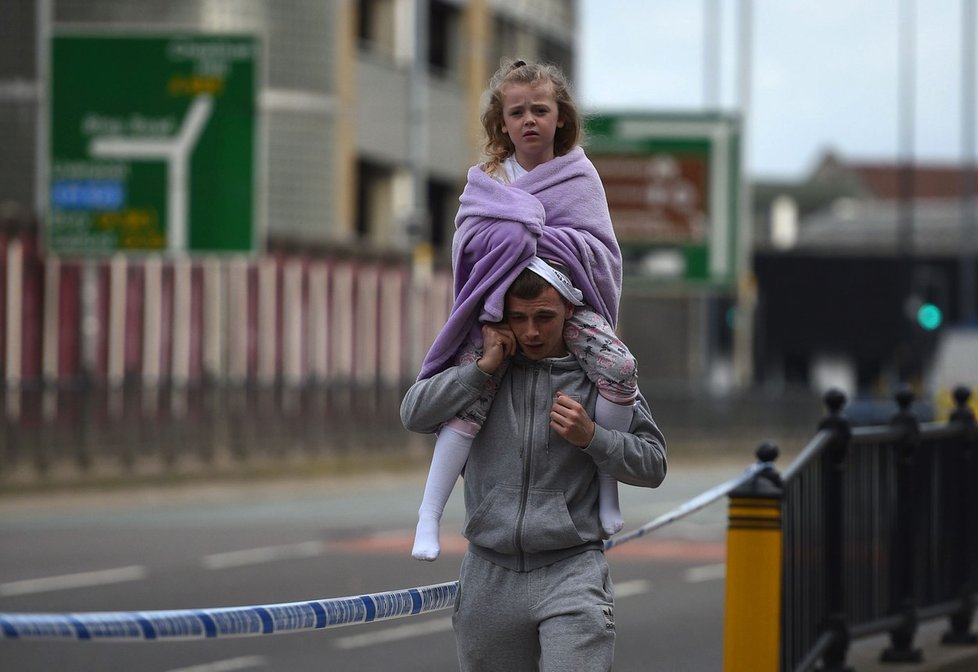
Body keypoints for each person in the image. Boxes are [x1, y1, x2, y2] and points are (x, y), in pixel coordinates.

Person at [412, 59, 639, 561]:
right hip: (494, 307)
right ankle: (429, 515)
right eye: (517, 112)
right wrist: (518, 233)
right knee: (473, 394)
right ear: (502, 122)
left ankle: (607, 487)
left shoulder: (580, 177)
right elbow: (468, 244)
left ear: (562, 117)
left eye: (541, 109)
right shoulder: (487, 180)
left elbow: (599, 250)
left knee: (619, 367)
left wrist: (528, 231)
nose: (529, 120)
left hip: (567, 307)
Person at [401, 263, 667, 671]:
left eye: (544, 317)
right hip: (488, 575)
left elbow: (653, 463)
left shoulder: (599, 375)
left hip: (572, 572)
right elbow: (414, 416)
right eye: (518, 318)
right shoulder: (482, 369)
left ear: (570, 312)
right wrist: (480, 371)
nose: (531, 332)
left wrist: (592, 436)